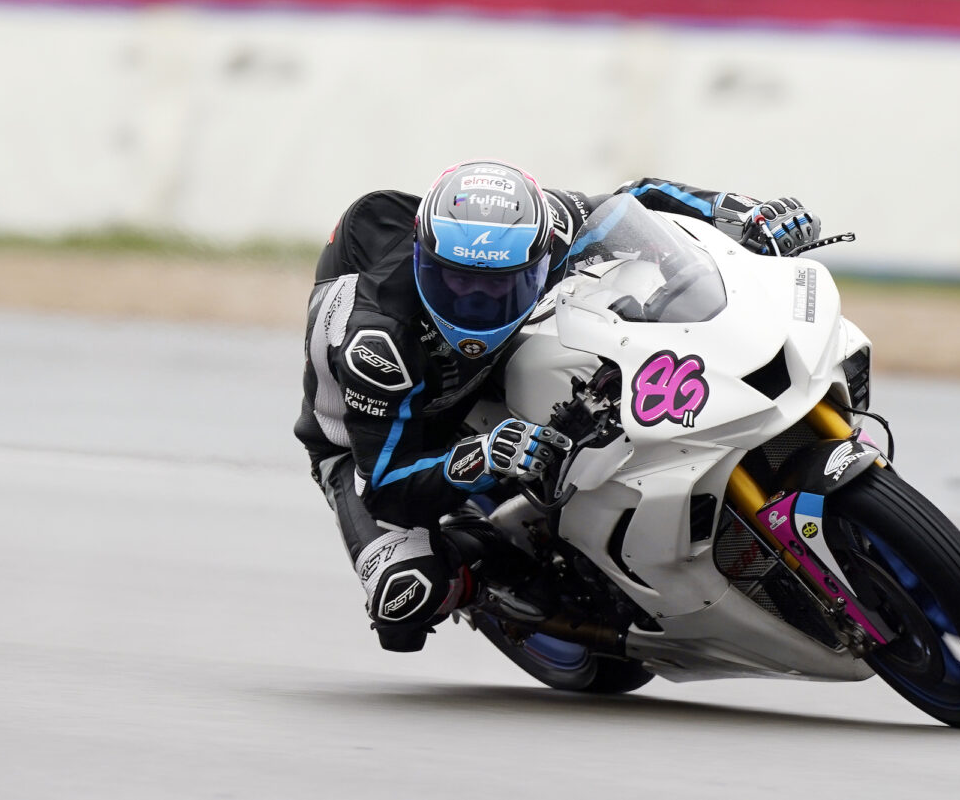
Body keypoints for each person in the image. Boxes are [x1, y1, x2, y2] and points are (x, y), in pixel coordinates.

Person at [294, 159, 820, 652]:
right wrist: (479, 457)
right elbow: (387, 488)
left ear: (537, 257)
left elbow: (634, 203)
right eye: (457, 281)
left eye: (498, 284)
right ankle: (494, 577)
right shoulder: (376, 343)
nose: (476, 302)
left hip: (478, 379)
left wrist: (740, 211)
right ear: (422, 263)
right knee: (406, 599)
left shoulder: (551, 228)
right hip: (373, 444)